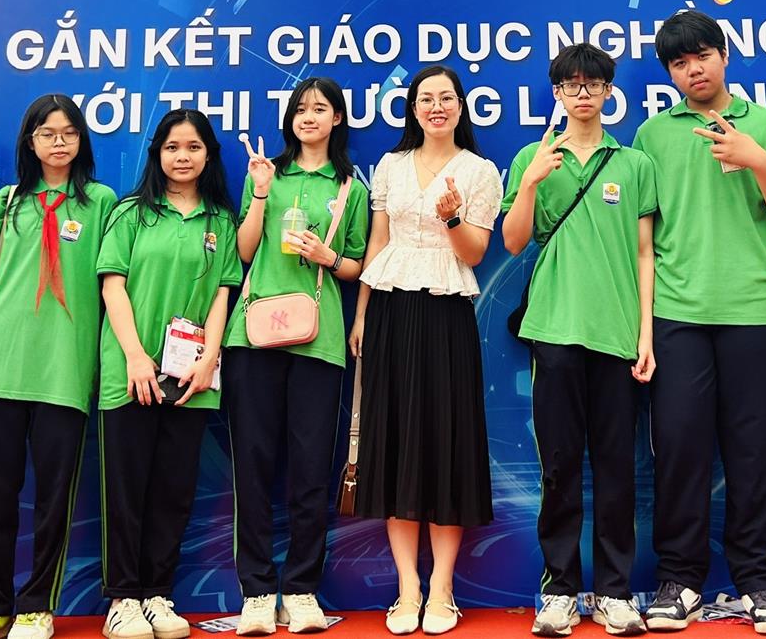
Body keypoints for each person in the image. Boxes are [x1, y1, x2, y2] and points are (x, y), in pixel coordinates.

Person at [631, 9, 766, 638]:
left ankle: (759, 579)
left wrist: (757, 159)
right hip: (677, 312)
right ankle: (679, 580)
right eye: (679, 63)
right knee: (679, 448)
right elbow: (641, 235)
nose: (693, 70)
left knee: (753, 450)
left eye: (702, 55)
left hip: (756, 310)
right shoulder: (652, 135)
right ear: (670, 73)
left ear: (724, 56)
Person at [501, 44, 657, 639]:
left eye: (594, 83)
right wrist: (531, 182)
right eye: (572, 84)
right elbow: (513, 241)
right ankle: (560, 590)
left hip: (617, 334)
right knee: (560, 467)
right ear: (558, 93)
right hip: (554, 330)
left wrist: (645, 333)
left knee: (617, 467)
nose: (583, 92)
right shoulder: (532, 156)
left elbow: (645, 254)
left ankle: (615, 592)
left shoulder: (633, 163)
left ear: (610, 91)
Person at [0, 93, 116, 639]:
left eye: (69, 133)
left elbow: (111, 285)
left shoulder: (101, 202)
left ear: (81, 140)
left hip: (63, 368)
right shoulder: (7, 202)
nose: (59, 142)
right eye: (48, 133)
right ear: (30, 141)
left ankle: (37, 606)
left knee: (54, 498)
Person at [350, 65, 502, 637]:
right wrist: (361, 314)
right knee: (395, 441)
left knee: (445, 441)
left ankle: (442, 589)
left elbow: (474, 252)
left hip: (446, 311)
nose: (436, 107)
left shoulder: (480, 171)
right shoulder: (390, 165)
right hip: (390, 310)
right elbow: (378, 242)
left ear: (461, 106)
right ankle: (407, 588)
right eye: (425, 98)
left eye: (446, 98)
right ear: (412, 108)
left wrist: (452, 217)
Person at [224, 78, 369, 637]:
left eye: (321, 109)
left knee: (311, 469)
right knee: (253, 464)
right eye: (301, 109)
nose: (309, 117)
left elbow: (356, 266)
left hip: (320, 340)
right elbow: (243, 251)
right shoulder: (265, 173)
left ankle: (303, 588)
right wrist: (261, 193)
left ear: (337, 119)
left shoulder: (351, 186)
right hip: (253, 336)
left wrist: (327, 255)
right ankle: (258, 591)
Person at [98, 109, 245, 639]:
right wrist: (136, 356)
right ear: (157, 154)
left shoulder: (220, 221)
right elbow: (112, 286)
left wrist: (210, 358)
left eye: (193, 147)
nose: (183, 157)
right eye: (172, 147)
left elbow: (224, 293)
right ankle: (123, 599)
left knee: (173, 491)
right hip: (130, 373)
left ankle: (158, 594)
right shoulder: (131, 213)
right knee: (127, 490)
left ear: (208, 155)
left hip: (191, 378)